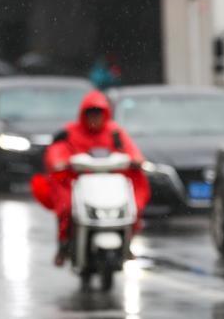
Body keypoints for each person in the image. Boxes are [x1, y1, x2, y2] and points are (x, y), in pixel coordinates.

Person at [43, 90, 150, 266]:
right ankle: (64, 245)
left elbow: (131, 151)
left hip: (111, 183)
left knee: (133, 206)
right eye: (90, 114)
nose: (94, 118)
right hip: (79, 183)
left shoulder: (115, 132)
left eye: (98, 114)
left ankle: (128, 240)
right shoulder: (70, 132)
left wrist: (137, 161)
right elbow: (57, 151)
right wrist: (60, 162)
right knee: (66, 208)